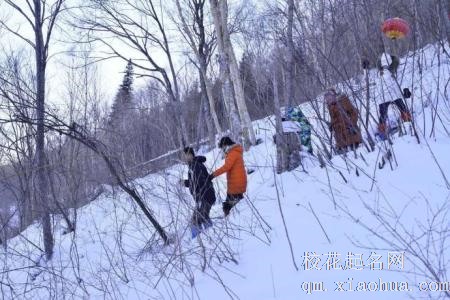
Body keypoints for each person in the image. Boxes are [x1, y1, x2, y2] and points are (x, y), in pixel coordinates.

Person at [181, 147, 216, 238]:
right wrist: (185, 182)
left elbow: (199, 181)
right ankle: (210, 235)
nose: (185, 158)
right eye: (184, 156)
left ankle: (199, 239)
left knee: (195, 220)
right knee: (204, 217)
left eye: (186, 155)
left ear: (191, 155)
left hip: (205, 197)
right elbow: (194, 181)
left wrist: (186, 183)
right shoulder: (193, 166)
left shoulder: (195, 166)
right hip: (204, 197)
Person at [376, 53, 412, 140]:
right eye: (383, 63)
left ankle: (408, 124)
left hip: (394, 94)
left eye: (386, 62)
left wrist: (406, 89)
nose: (385, 65)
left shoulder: (394, 70)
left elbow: (402, 79)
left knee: (403, 109)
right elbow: (372, 81)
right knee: (383, 116)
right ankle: (382, 133)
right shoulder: (378, 72)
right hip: (383, 97)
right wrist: (365, 69)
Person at [209, 137, 247, 217]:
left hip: (236, 184)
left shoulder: (233, 153)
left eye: (222, 147)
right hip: (236, 183)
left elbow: (226, 167)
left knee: (228, 206)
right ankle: (233, 217)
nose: (222, 150)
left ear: (226, 145)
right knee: (235, 204)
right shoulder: (233, 152)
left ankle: (230, 219)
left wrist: (213, 175)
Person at [325, 89, 362, 153]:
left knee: (356, 153)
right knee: (342, 157)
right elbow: (334, 119)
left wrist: (351, 123)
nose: (328, 99)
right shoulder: (330, 106)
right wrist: (332, 125)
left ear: (334, 95)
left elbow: (354, 112)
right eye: (326, 98)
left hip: (350, 132)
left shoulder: (343, 100)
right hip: (340, 137)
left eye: (329, 96)